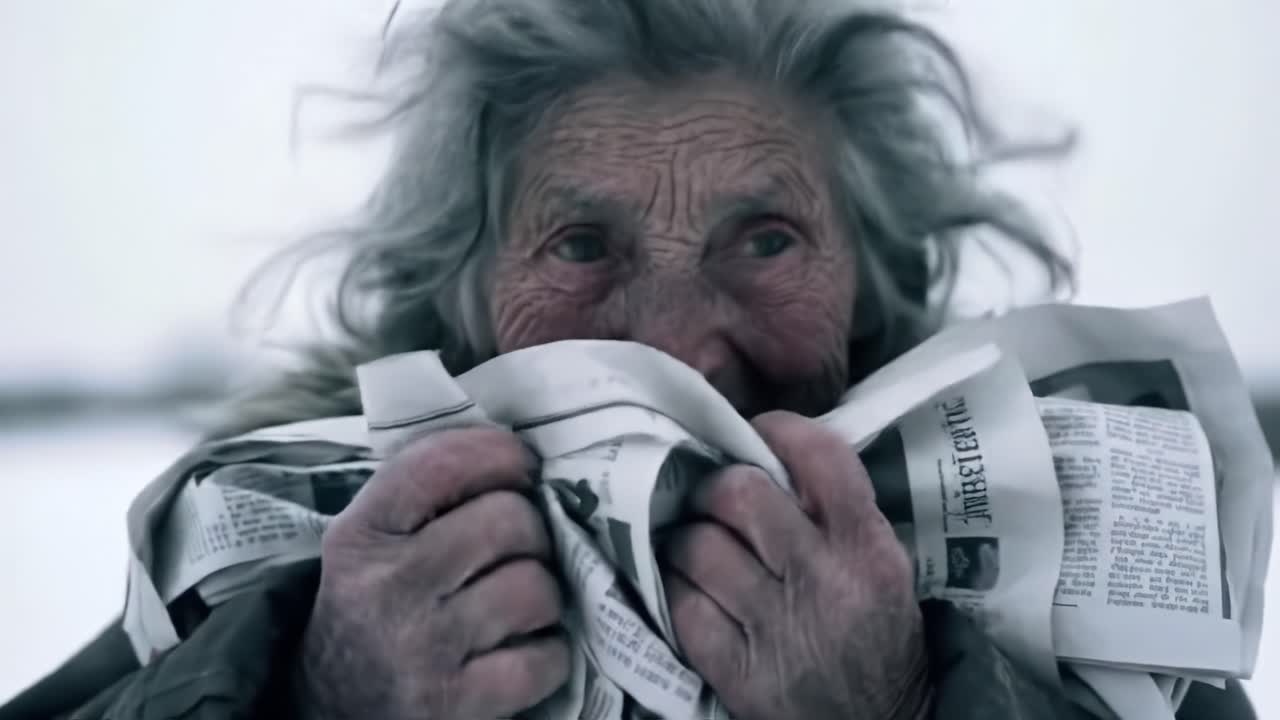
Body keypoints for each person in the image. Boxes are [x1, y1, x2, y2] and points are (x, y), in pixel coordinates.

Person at [0, 1, 1257, 719]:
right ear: (462, 300)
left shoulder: (1110, 655)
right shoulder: (282, 582)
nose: (672, 344)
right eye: (582, 243)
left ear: (876, 289)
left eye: (762, 238)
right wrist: (311, 696)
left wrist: (906, 705)